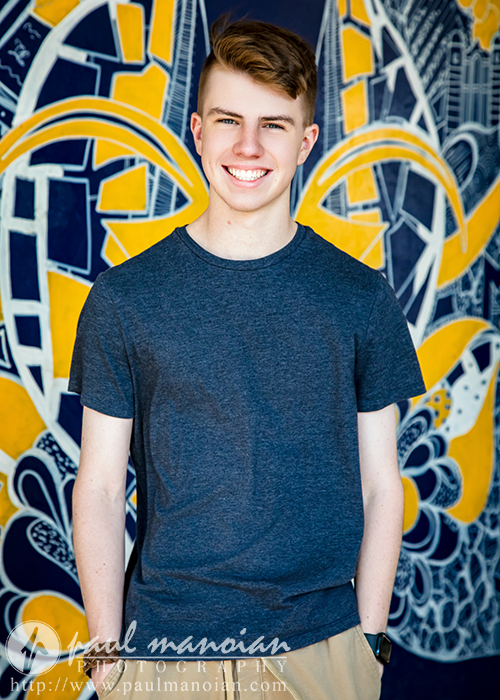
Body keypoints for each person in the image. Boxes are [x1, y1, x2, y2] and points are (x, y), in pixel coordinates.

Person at [70, 16, 426, 700]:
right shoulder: (125, 299)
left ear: (307, 141)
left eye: (275, 125)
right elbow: (101, 486)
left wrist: (370, 643)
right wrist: (107, 654)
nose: (249, 146)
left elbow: (383, 484)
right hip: (166, 649)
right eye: (228, 120)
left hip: (322, 650)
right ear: (198, 130)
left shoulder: (359, 297)